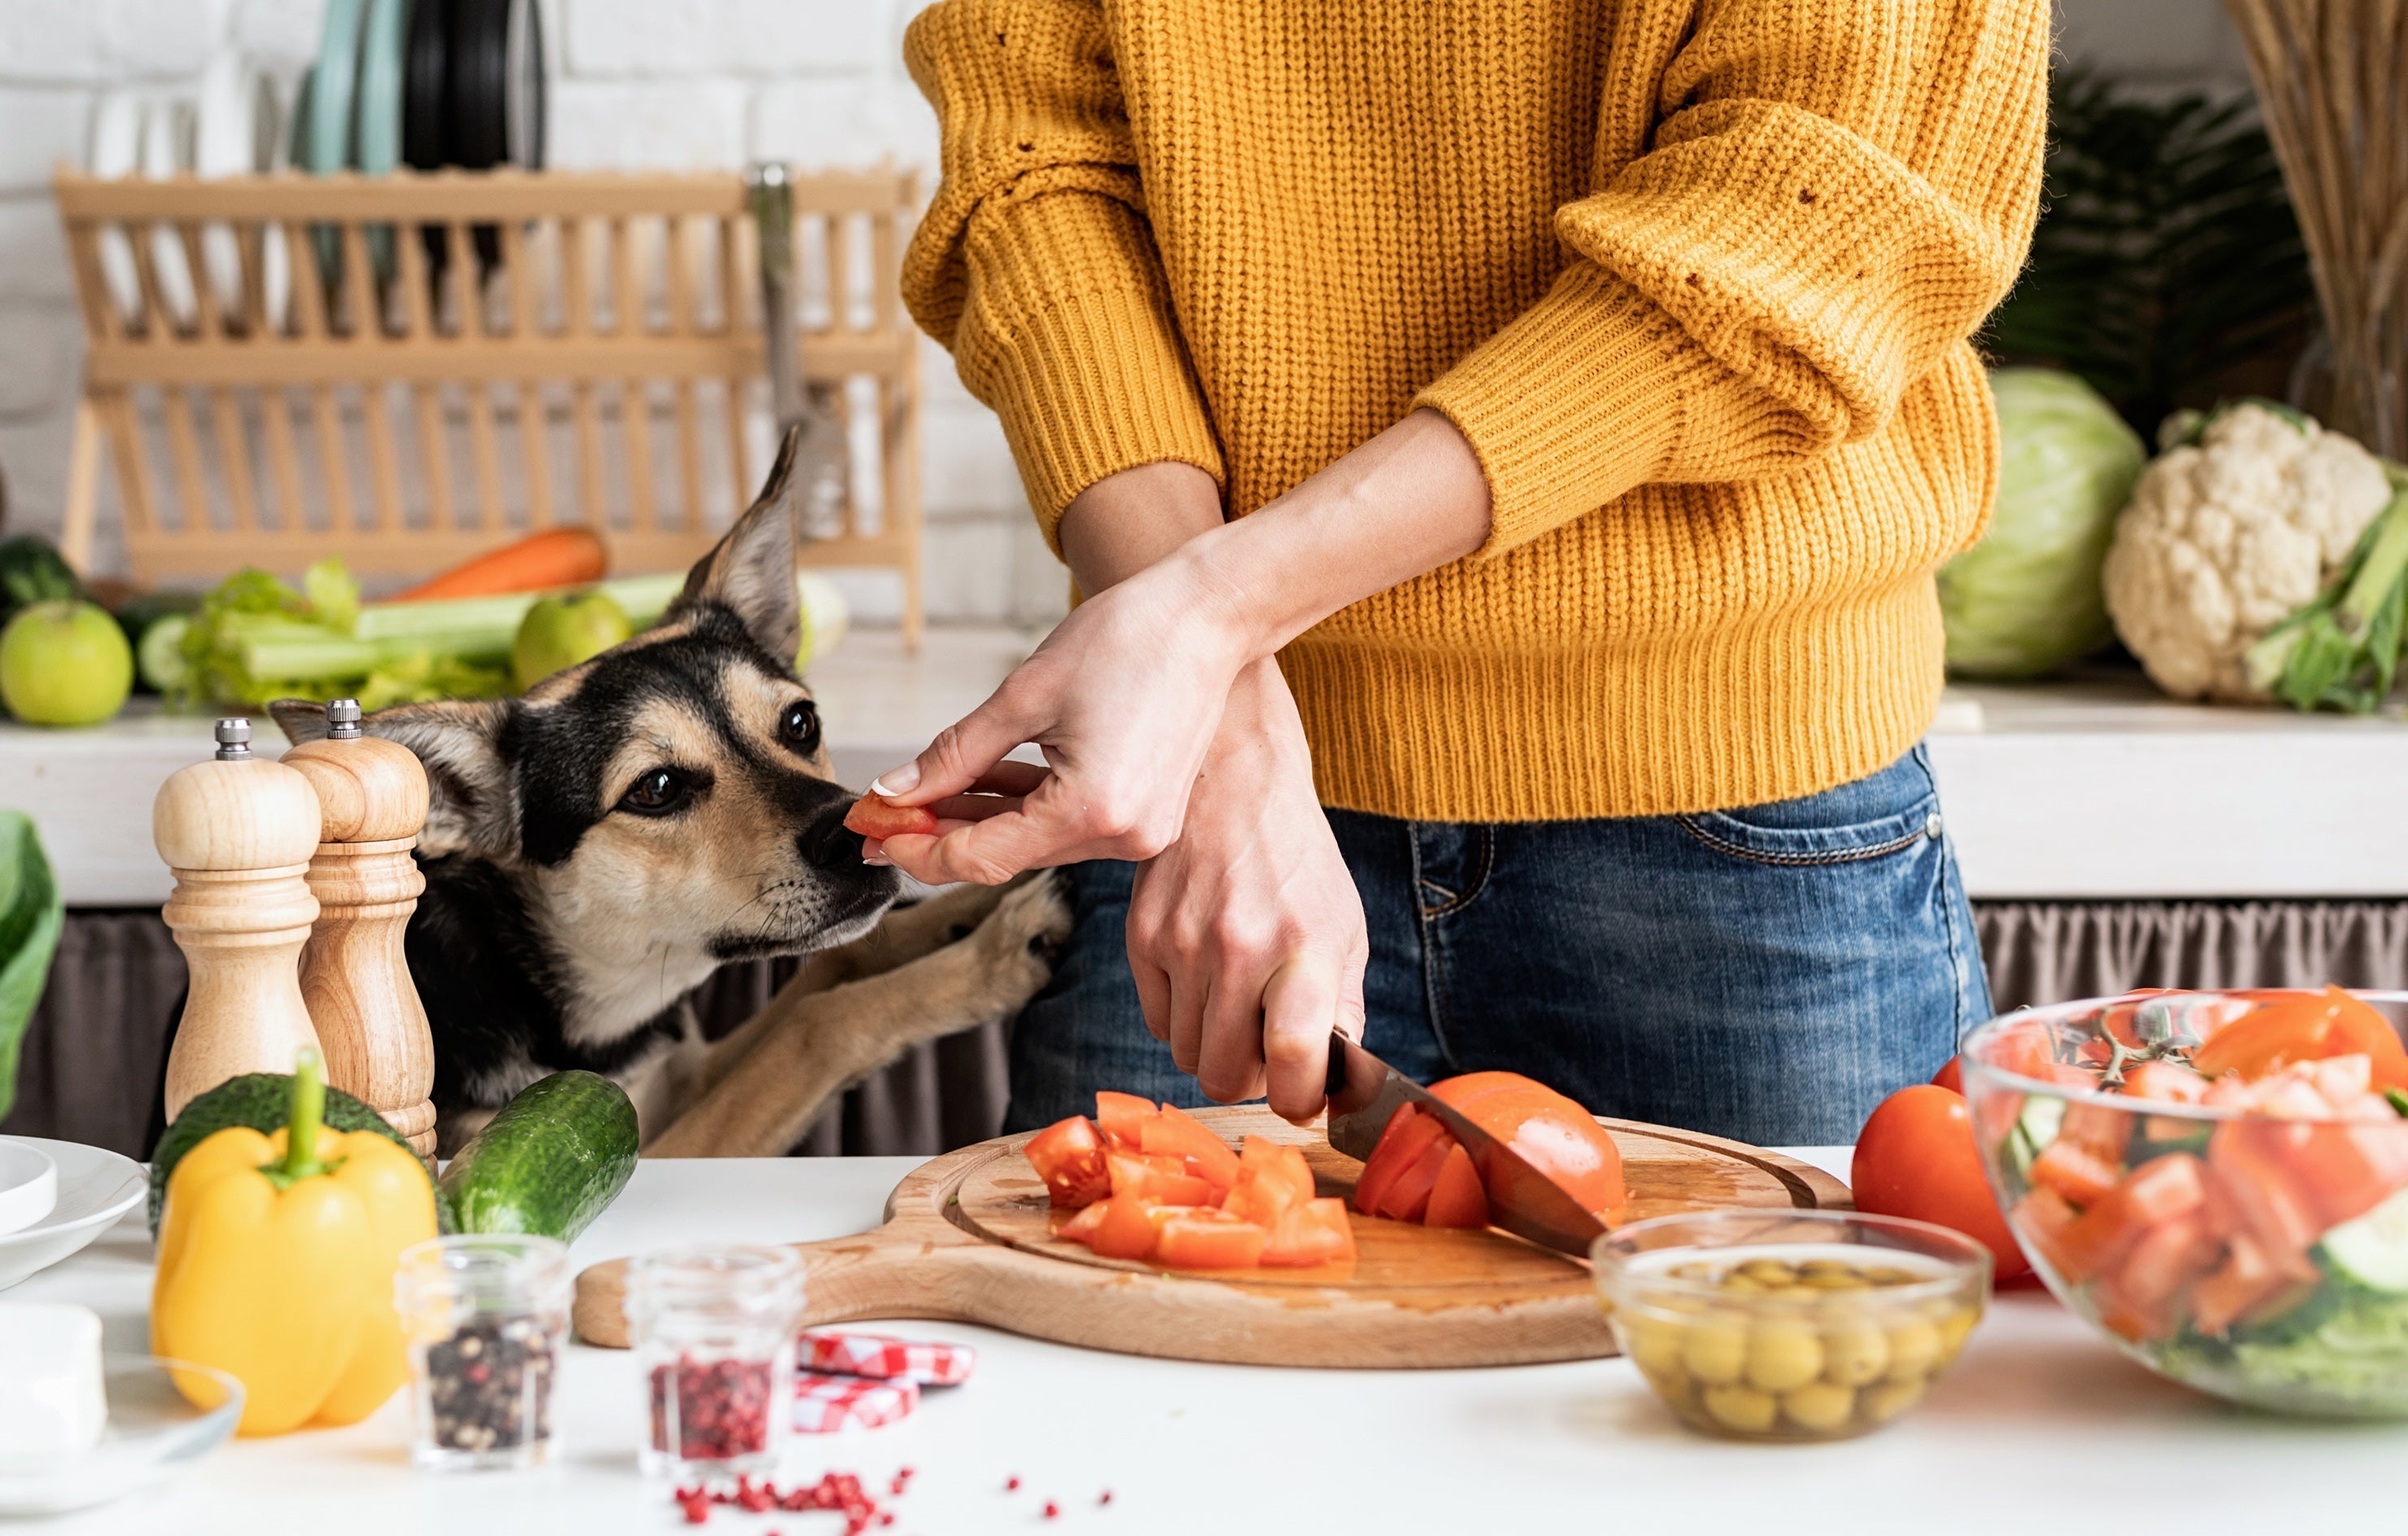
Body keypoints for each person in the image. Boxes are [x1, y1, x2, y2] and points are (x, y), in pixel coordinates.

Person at [868, 0, 2049, 1147]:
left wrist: (1209, 619)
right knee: (1110, 1343)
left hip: (1738, 815)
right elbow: (1033, 169)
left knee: (1799, 1347)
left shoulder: (1200, 637)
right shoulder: (1204, 721)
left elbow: (1806, 225)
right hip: (1197, 804)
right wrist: (1217, 715)